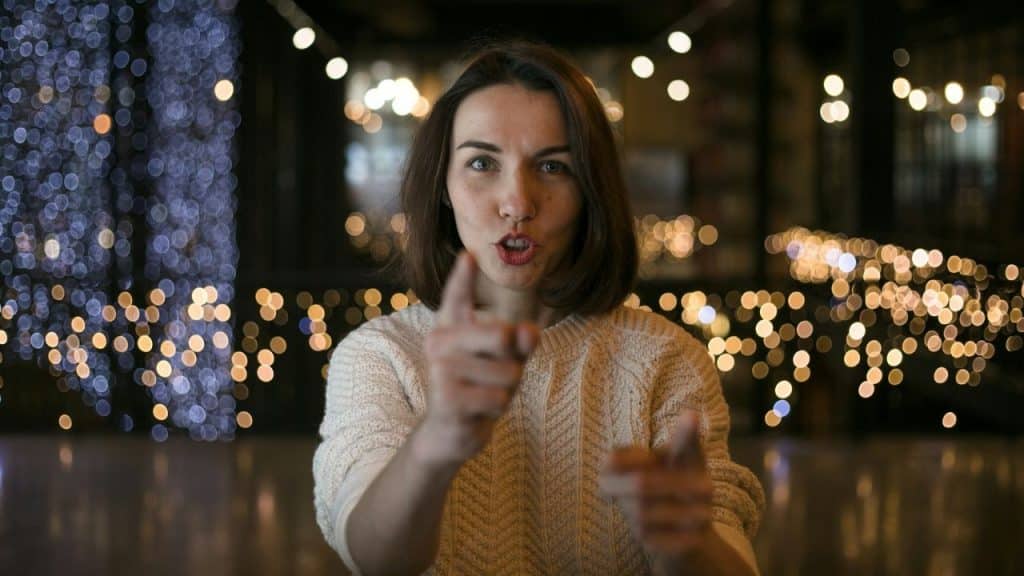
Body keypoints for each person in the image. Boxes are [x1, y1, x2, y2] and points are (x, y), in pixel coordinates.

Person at [313, 40, 765, 575]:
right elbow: (374, 556)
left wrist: (686, 547)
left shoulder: (665, 360)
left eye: (552, 167)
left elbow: (731, 555)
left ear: (590, 190)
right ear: (443, 186)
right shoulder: (380, 356)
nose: (518, 204)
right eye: (482, 162)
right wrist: (435, 444)